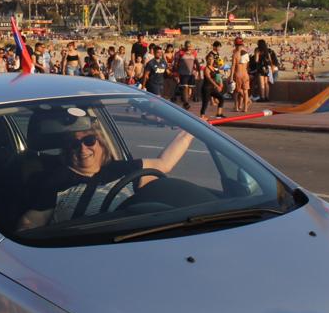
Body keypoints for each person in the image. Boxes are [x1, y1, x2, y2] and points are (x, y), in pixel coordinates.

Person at [18, 112, 194, 229]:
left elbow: (165, 163)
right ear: (66, 150)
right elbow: (29, 225)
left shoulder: (123, 169)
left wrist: (190, 130)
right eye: (73, 144)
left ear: (101, 142)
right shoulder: (54, 182)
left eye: (89, 141)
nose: (82, 148)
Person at [200, 50, 226, 120]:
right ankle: (202, 116)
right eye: (209, 59)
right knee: (205, 103)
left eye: (211, 59)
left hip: (212, 88)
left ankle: (219, 113)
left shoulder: (214, 68)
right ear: (206, 60)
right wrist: (216, 85)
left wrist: (220, 84)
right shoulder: (206, 68)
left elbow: (217, 77)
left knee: (221, 98)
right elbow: (209, 78)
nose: (210, 61)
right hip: (206, 88)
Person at [175, 41, 198, 110]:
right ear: (184, 46)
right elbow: (176, 63)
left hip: (191, 73)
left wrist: (197, 71)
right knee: (185, 87)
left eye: (190, 46)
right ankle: (186, 103)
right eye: (187, 46)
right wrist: (176, 74)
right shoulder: (180, 53)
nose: (188, 48)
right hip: (182, 73)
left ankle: (185, 100)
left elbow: (196, 62)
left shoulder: (194, 53)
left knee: (190, 89)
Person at [230, 37, 250, 114]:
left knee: (236, 92)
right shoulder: (246, 53)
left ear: (235, 45)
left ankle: (236, 107)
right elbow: (247, 66)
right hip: (245, 74)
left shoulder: (235, 54)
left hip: (238, 74)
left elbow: (233, 66)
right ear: (242, 44)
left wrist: (231, 77)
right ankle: (245, 108)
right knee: (245, 92)